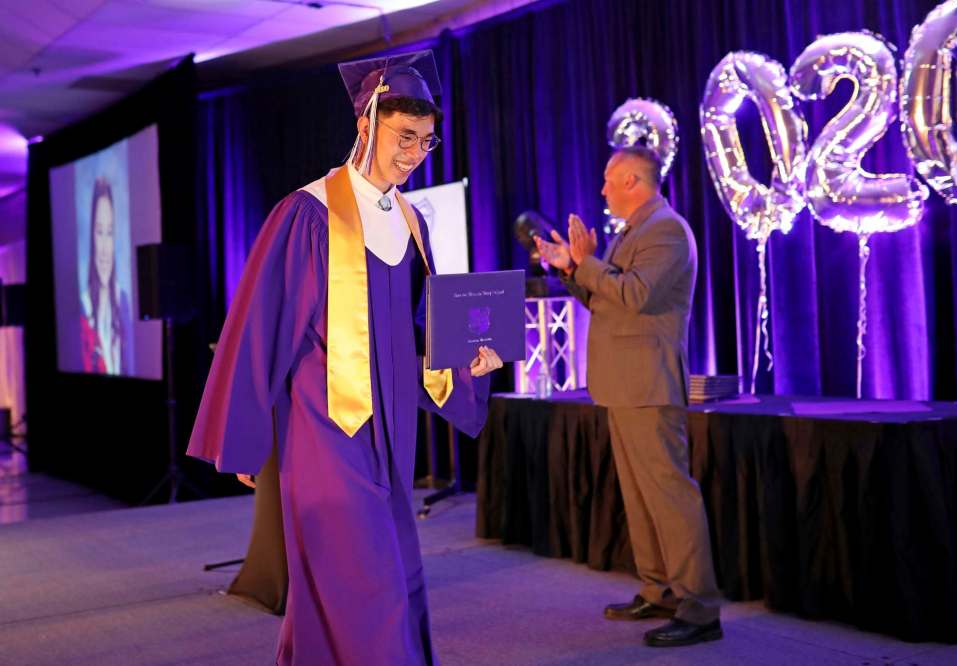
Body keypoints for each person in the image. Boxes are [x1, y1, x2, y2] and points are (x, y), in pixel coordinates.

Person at [187, 50, 503, 665]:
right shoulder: (306, 213)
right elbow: (259, 329)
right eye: (404, 136)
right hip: (326, 429)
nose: (414, 153)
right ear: (366, 122)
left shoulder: (413, 222)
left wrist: (469, 364)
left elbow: (420, 337)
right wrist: (247, 439)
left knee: (364, 580)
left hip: (391, 435)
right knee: (369, 582)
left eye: (427, 142)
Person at [535, 146, 723, 647]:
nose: (602, 190)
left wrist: (588, 263)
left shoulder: (666, 229)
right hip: (623, 383)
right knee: (640, 497)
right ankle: (658, 588)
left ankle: (700, 607)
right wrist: (572, 269)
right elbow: (605, 298)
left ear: (634, 180)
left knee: (669, 496)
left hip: (648, 383)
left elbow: (638, 294)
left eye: (608, 181)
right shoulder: (632, 232)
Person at [80, 177, 130, 375]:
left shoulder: (122, 301)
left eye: (109, 233)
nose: (104, 249)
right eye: (99, 232)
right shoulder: (83, 307)